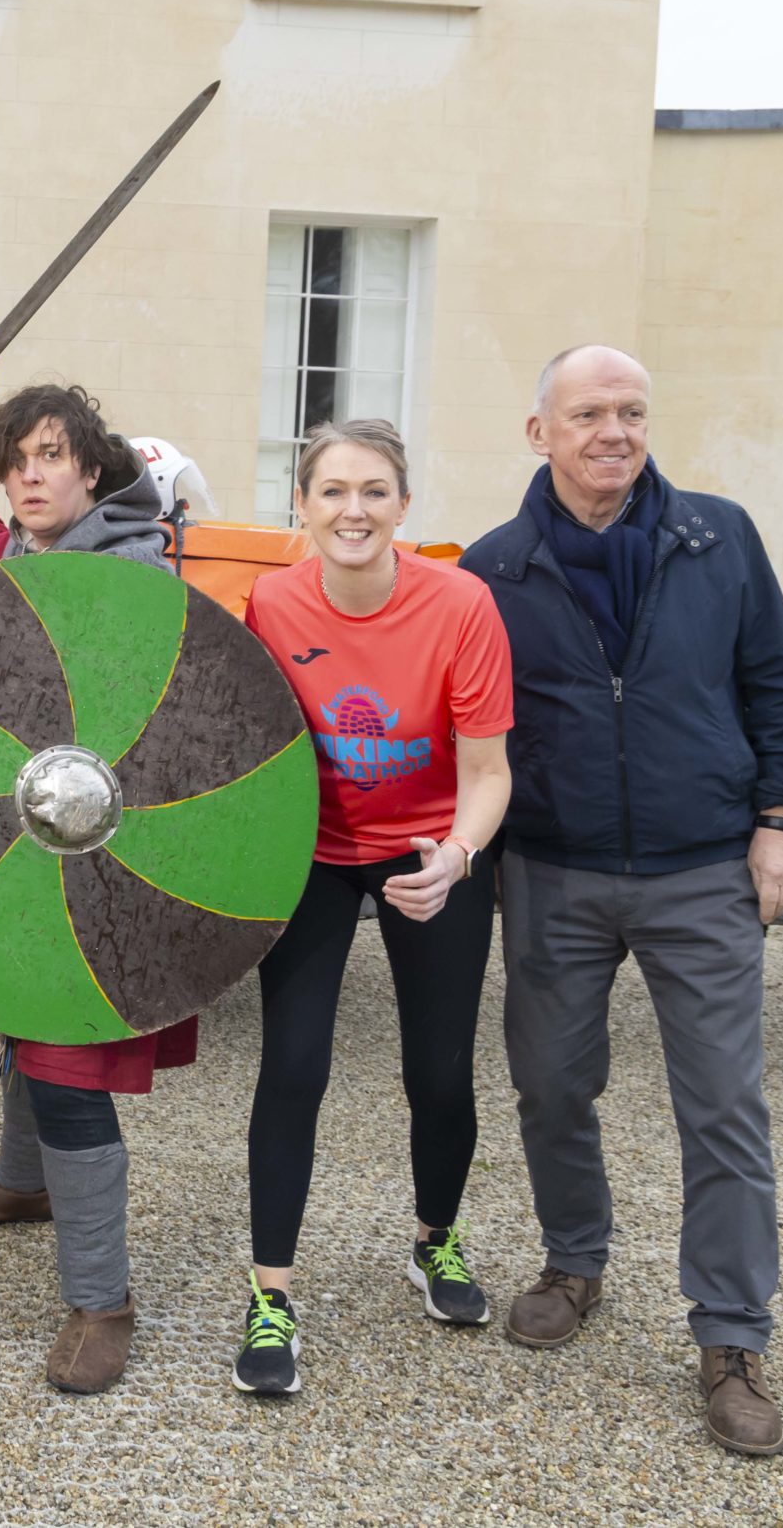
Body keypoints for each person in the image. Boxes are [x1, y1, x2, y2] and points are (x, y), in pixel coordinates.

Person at [462, 345, 783, 1457]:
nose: (611, 431)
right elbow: (469, 727)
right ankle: (575, 1260)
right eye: (586, 414)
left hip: (700, 867)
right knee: (551, 1085)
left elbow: (779, 680)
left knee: (721, 1103)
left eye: (629, 411)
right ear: (541, 434)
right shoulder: (493, 568)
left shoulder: (717, 536)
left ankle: (729, 1332)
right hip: (555, 872)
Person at [0, 383, 187, 1394]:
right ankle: (23, 1185)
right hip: (29, 831)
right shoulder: (32, 556)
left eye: (52, 454)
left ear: (92, 469)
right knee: (16, 1011)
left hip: (107, 850)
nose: (30, 472)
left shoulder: (130, 572)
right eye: (16, 456)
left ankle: (102, 1299)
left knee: (68, 1068)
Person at [229, 418, 513, 1396]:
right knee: (293, 1065)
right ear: (300, 507)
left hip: (430, 843)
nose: (352, 509)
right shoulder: (271, 599)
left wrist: (459, 855)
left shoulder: (461, 603)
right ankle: (271, 1294)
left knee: (436, 1072)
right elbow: (245, 749)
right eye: (332, 490)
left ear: (402, 505)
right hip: (313, 852)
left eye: (373, 490)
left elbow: (487, 769)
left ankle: (435, 1238)